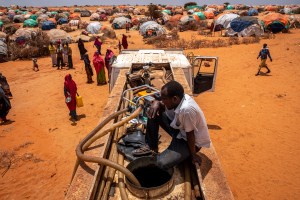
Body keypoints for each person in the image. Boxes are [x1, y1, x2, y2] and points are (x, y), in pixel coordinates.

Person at [132, 81, 211, 169]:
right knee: (153, 111)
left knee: (161, 164)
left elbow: (190, 134)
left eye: (164, 99)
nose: (163, 101)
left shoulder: (187, 110)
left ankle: (184, 153)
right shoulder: (177, 100)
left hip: (189, 141)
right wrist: (157, 102)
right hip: (180, 130)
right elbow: (159, 99)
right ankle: (151, 147)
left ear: (174, 99)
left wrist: (193, 155)